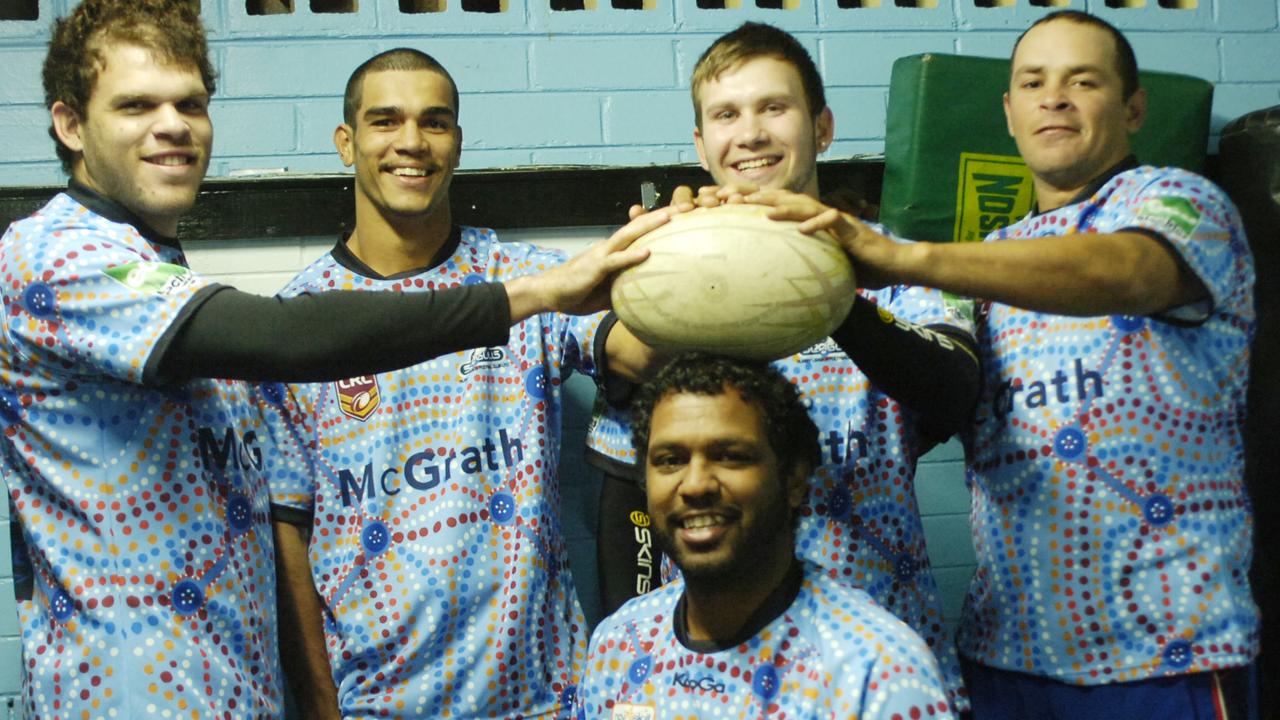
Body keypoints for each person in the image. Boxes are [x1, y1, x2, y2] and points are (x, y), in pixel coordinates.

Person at [3, 2, 665, 716]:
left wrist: (702, 253)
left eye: (189, 103)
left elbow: (638, 353)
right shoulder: (57, 258)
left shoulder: (161, 275)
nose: (172, 124)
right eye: (137, 105)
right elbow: (291, 339)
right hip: (133, 697)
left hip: (250, 694)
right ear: (71, 125)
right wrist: (536, 293)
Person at [754, 10, 1259, 719]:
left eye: (1082, 81)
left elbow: (1128, 270)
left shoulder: (1181, 204)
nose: (1054, 98)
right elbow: (932, 393)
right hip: (1004, 657)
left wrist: (902, 257)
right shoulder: (991, 255)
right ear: (1010, 112)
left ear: (1134, 108)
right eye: (1033, 82)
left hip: (1163, 654)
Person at [588, 21, 979, 709]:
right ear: (702, 144)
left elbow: (954, 391)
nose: (752, 133)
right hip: (707, 679)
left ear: (822, 127)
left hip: (870, 671)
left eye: (775, 107)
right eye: (726, 115)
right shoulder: (662, 275)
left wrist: (835, 284)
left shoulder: (896, 263)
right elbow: (630, 490)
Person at [268, 48, 665, 719]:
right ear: (347, 143)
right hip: (378, 705)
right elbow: (289, 536)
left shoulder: (528, 281)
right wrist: (319, 706)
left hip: (543, 699)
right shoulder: (299, 321)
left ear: (456, 142)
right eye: (385, 121)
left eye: (435, 122)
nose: (412, 143)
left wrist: (691, 253)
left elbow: (643, 355)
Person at [576, 353, 955, 719]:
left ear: (793, 479)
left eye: (730, 456)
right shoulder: (620, 644)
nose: (695, 485)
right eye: (670, 460)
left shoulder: (877, 672)